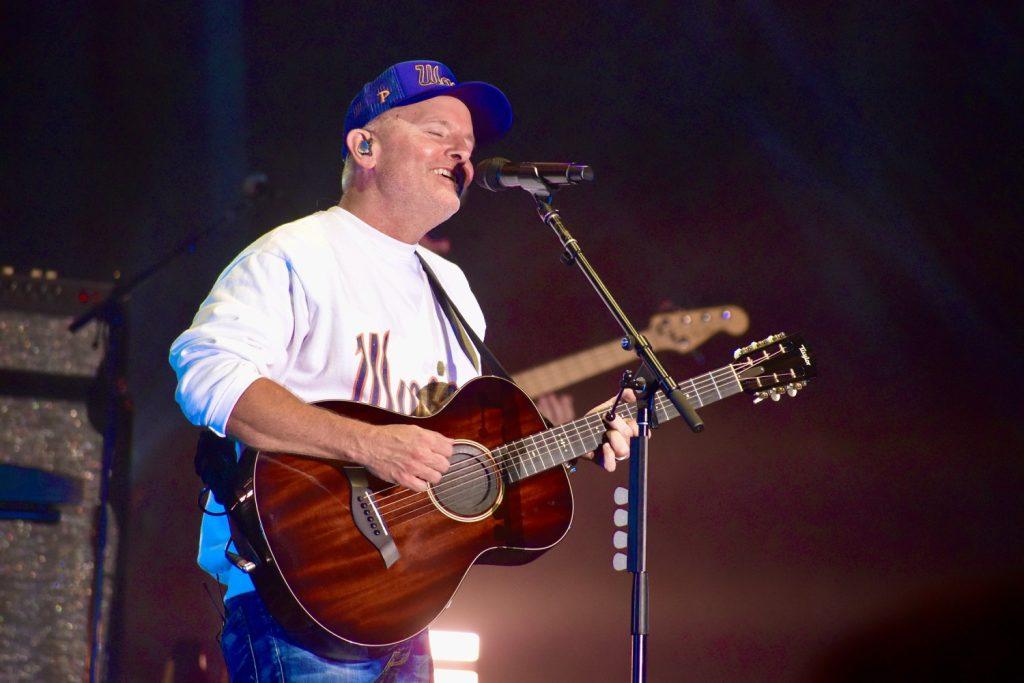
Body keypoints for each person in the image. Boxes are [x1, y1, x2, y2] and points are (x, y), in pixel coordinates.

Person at [169, 60, 637, 682]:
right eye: (437, 133)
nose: (462, 157)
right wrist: (369, 444)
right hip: (298, 603)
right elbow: (205, 375)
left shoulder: (452, 288)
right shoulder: (293, 255)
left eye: (468, 147)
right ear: (365, 146)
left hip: (408, 608)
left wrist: (578, 440)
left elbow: (462, 455)